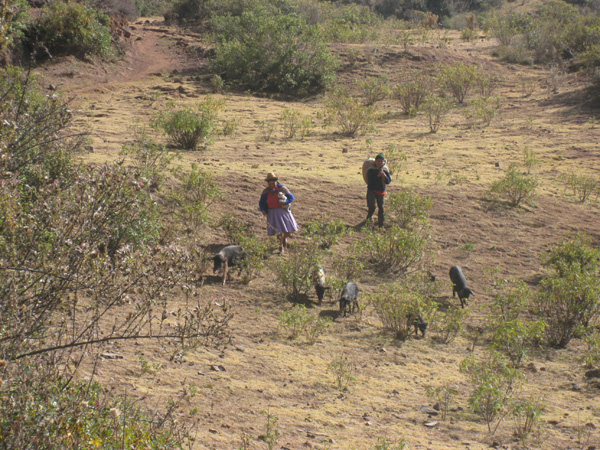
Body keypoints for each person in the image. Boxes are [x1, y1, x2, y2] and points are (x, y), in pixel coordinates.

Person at [259, 172, 299, 255]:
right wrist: (263, 210)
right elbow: (261, 202)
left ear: (276, 182)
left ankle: (283, 239)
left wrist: (285, 202)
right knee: (278, 232)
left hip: (283, 211)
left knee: (288, 231)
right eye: (269, 184)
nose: (271, 185)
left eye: (273, 183)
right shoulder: (266, 191)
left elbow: (291, 197)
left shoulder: (282, 188)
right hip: (272, 213)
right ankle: (281, 249)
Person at [366, 153, 391, 228]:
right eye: (378, 161)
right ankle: (368, 220)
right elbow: (370, 182)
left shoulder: (385, 170)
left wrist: (385, 176)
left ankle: (381, 225)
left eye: (381, 161)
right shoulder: (371, 170)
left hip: (381, 191)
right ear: (375, 161)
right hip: (371, 191)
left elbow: (388, 181)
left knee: (381, 208)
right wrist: (378, 176)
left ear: (383, 161)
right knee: (372, 207)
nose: (380, 162)